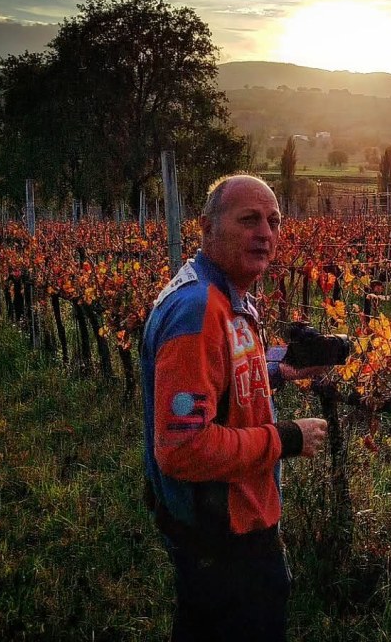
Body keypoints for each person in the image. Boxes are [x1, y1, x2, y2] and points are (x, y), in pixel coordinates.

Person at [141, 174, 328, 642]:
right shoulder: (198, 309)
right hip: (223, 538)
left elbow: (224, 378)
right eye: (248, 219)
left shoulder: (227, 296)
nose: (265, 232)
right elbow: (184, 448)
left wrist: (281, 371)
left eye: (274, 221)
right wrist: (287, 438)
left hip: (226, 531)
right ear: (207, 227)